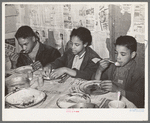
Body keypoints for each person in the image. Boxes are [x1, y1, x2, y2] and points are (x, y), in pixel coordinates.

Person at [94, 35, 144, 108]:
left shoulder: (138, 73)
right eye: (116, 53)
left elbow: (139, 99)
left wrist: (118, 90)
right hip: (111, 102)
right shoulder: (112, 66)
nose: (118, 58)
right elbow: (95, 84)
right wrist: (99, 70)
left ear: (132, 55)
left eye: (122, 54)